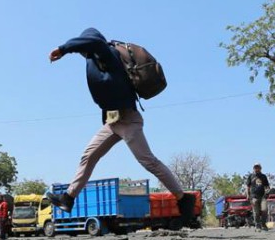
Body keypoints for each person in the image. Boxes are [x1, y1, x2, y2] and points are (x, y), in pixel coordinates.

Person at [45, 28, 195, 219]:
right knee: (89, 156)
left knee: (148, 161)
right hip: (112, 122)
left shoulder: (107, 53)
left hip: (128, 119)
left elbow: (96, 43)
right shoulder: (94, 60)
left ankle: (183, 198)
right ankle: (68, 198)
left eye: (84, 44)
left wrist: (64, 49)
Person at [246, 163, 270, 231]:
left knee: (264, 210)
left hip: (263, 196)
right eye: (255, 167)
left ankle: (263, 224)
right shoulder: (251, 176)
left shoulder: (263, 176)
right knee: (256, 212)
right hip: (254, 197)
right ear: (253, 168)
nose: (256, 169)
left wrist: (267, 192)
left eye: (258, 167)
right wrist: (248, 195)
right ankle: (257, 225)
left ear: (260, 168)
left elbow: (267, 186)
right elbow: (247, 186)